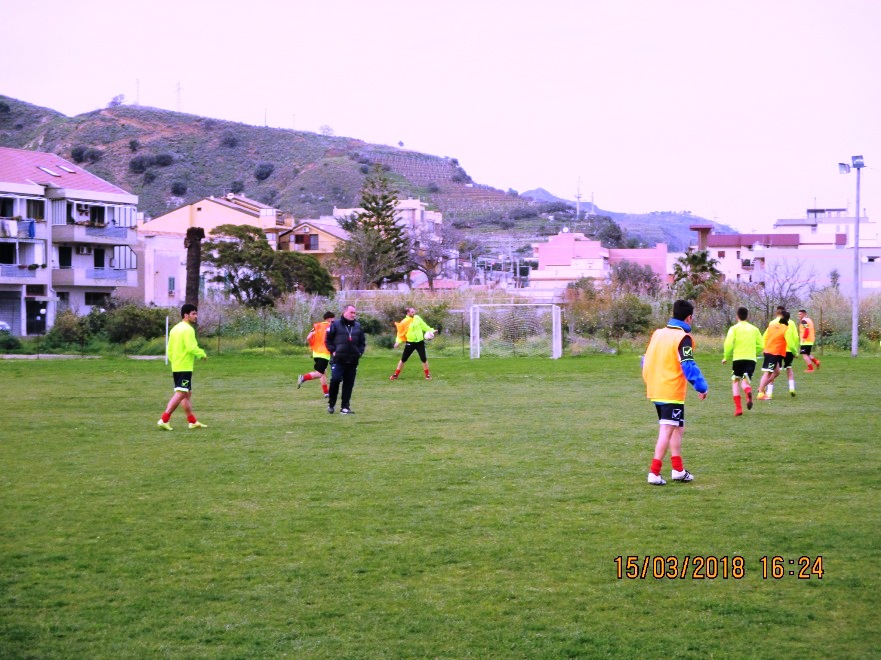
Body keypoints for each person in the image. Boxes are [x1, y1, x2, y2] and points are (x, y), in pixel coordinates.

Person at [642, 299, 708, 486]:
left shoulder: (658, 334)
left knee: (678, 427)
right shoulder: (682, 338)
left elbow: (645, 360)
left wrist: (650, 379)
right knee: (666, 430)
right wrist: (701, 386)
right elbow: (688, 364)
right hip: (670, 391)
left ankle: (678, 470)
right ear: (689, 317)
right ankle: (654, 473)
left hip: (657, 388)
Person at [157, 303, 208, 430]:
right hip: (184, 366)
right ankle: (164, 419)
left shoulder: (175, 329)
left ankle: (192, 421)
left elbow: (169, 349)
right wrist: (202, 354)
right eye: (193, 314)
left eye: (196, 313)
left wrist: (174, 360)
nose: (196, 316)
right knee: (181, 393)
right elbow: (191, 347)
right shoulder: (188, 329)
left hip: (176, 365)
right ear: (186, 315)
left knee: (186, 393)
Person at [721, 306, 764, 416]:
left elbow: (728, 344)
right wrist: (753, 353)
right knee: (745, 382)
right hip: (750, 359)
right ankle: (748, 391)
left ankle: (738, 409)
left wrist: (726, 356)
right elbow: (761, 345)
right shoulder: (754, 329)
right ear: (747, 316)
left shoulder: (734, 329)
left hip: (738, 359)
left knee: (735, 382)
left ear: (737, 316)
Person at [324, 304, 366, 415]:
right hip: (338, 360)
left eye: (355, 313)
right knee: (336, 380)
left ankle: (345, 407)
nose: (354, 315)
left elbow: (362, 342)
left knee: (349, 384)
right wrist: (333, 351)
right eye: (351, 312)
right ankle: (331, 403)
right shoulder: (335, 325)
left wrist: (360, 352)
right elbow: (328, 340)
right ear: (345, 312)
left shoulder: (357, 326)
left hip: (352, 360)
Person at [389, 307, 437, 381]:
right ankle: (395, 375)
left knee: (423, 359)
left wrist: (432, 330)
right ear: (408, 313)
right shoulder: (404, 322)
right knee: (403, 359)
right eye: (412, 312)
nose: (413, 313)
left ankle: (427, 375)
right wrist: (398, 342)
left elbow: (424, 326)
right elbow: (400, 333)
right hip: (410, 343)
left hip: (420, 342)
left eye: (414, 312)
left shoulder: (417, 318)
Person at [297, 311, 335, 398]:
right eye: (333, 318)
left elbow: (309, 337)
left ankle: (326, 393)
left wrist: (312, 345)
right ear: (330, 318)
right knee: (319, 373)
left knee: (323, 372)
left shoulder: (317, 326)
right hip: (324, 353)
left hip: (316, 353)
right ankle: (303, 378)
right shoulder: (331, 326)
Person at [757, 313, 789, 400]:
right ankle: (760, 393)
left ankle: (761, 387)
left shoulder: (771, 325)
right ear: (788, 320)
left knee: (777, 372)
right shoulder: (785, 328)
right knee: (768, 372)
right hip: (773, 353)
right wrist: (794, 351)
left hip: (770, 351)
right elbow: (789, 340)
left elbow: (765, 337)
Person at [777, 306, 800, 397]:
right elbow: (796, 337)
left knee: (773, 371)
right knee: (789, 369)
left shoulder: (774, 322)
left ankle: (769, 392)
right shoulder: (792, 323)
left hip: (778, 350)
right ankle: (792, 388)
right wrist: (795, 350)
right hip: (789, 350)